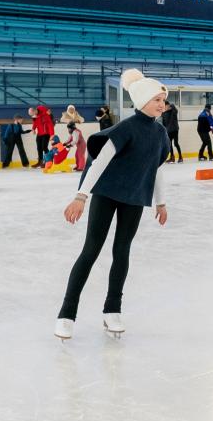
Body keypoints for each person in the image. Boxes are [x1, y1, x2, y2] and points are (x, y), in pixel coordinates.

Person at [56, 69, 171, 339]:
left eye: (163, 100)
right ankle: (66, 314)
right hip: (106, 194)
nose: (161, 105)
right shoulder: (126, 128)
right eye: (156, 99)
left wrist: (161, 202)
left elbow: (157, 168)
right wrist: (81, 196)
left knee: (122, 252)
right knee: (91, 251)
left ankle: (112, 311)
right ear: (142, 99)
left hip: (134, 198)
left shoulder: (160, 133)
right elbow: (98, 163)